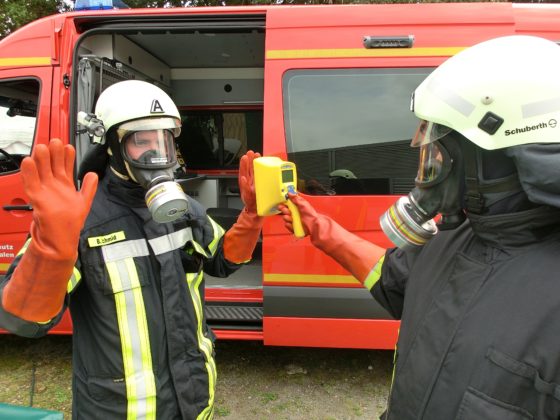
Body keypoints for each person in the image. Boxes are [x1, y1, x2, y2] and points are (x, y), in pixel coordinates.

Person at [279, 35, 560, 419]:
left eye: (438, 149)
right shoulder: (458, 235)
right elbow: (392, 280)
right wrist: (318, 227)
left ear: (491, 158)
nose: (427, 165)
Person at [0, 80, 263, 419]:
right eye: (142, 141)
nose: (158, 153)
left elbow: (223, 259)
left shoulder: (182, 210)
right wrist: (51, 250)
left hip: (193, 402)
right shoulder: (78, 220)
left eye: (164, 139)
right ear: (112, 145)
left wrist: (252, 216)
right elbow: (24, 321)